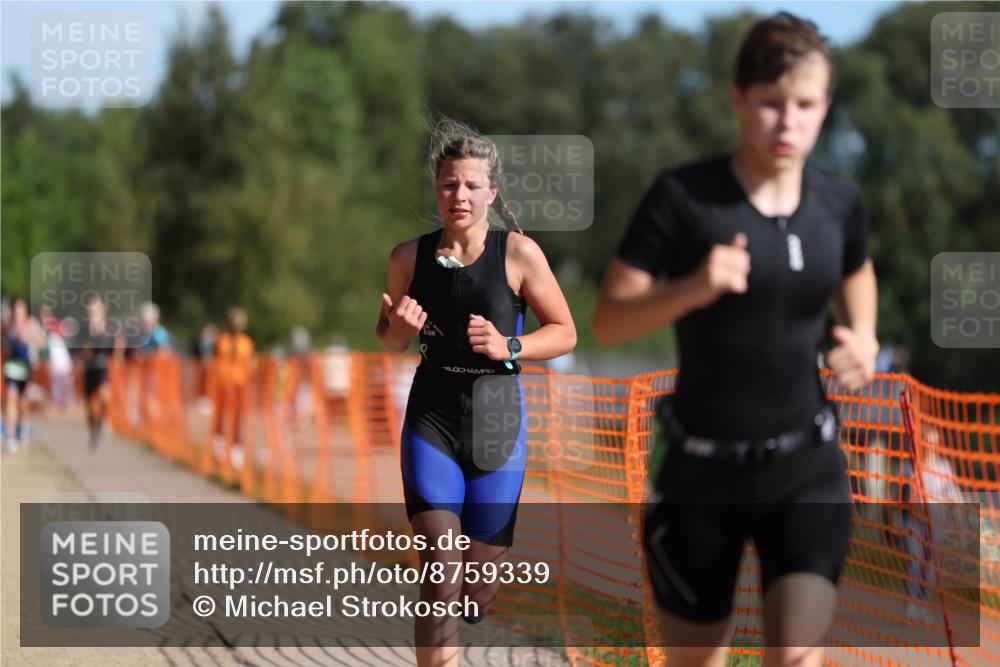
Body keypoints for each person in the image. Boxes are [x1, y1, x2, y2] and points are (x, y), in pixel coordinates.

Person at [591, 13, 879, 667]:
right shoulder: (684, 197)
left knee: (795, 656)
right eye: (771, 104)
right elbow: (610, 318)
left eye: (805, 105)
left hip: (807, 466)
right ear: (737, 99)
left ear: (825, 106)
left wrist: (862, 334)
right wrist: (690, 287)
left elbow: (857, 269)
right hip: (699, 471)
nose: (788, 123)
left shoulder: (840, 203)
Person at [375, 117, 576, 667]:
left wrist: (510, 345)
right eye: (448, 184)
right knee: (440, 573)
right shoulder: (407, 259)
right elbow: (388, 338)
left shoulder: (519, 254)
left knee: (477, 582)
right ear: (436, 190)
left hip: (497, 422)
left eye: (470, 185)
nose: (458, 195)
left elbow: (565, 331)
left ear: (492, 191)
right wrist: (400, 328)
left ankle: (476, 594)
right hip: (432, 417)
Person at [75, 294, 121, 450]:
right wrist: (85, 352)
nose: (92, 313)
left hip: (103, 367)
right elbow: (79, 352)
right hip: (89, 369)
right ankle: (93, 434)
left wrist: (118, 357)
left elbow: (118, 342)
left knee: (104, 396)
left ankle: (105, 419)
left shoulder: (109, 327)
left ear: (103, 309)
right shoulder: (84, 330)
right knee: (89, 409)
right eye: (90, 310)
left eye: (95, 309)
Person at [213, 306, 255, 470]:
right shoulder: (221, 340)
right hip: (222, 383)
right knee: (221, 415)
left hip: (239, 384)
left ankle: (237, 451)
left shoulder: (247, 342)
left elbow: (250, 363)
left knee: (238, 418)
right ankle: (218, 447)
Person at [2, 296, 45, 452]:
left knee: (23, 403)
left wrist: (30, 340)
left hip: (26, 369)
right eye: (16, 308)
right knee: (11, 399)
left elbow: (42, 343)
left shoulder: (31, 324)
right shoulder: (8, 324)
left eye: (21, 308)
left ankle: (22, 425)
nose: (18, 312)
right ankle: (10, 435)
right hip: (11, 367)